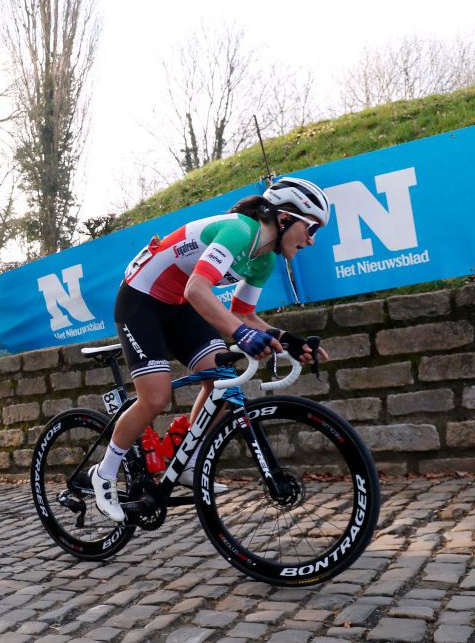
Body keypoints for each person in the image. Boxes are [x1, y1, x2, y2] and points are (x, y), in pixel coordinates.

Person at [90, 177, 332, 523]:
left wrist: (289, 341)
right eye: (311, 229)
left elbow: (243, 314)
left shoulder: (263, 259)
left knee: (222, 378)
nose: (310, 240)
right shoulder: (240, 231)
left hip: (178, 303)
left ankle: (186, 461)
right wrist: (241, 334)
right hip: (140, 299)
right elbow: (198, 290)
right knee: (156, 397)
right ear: (283, 218)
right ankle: (105, 472)